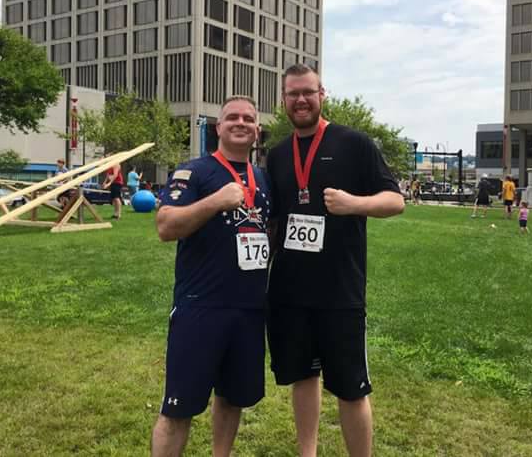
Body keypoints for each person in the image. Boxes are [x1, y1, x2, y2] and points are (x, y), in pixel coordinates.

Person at [266, 64, 404, 457]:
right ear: (284, 100)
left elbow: (395, 201)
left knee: (350, 388)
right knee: (303, 377)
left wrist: (353, 203)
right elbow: (275, 221)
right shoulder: (277, 155)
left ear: (321, 94)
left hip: (340, 291)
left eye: (308, 92)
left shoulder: (354, 143)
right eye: (293, 94)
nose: (301, 100)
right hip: (290, 291)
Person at [152, 96, 271, 457]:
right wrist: (216, 201)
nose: (241, 123)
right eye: (232, 117)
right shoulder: (194, 172)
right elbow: (166, 225)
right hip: (201, 309)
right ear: (218, 127)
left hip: (249, 311)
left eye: (248, 118)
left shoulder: (263, 178)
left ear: (257, 130)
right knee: (179, 407)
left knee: (232, 399)